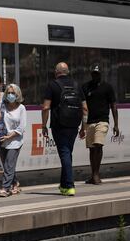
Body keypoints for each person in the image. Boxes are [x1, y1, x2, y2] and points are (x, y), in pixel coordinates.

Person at [42, 62, 87, 196]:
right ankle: (63, 185)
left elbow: (45, 108)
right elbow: (85, 109)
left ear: (56, 72)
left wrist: (43, 125)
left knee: (65, 153)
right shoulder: (77, 85)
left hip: (59, 125)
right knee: (67, 153)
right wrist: (83, 127)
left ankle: (69, 185)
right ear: (68, 72)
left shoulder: (53, 85)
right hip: (74, 124)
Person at [82, 65, 119, 185]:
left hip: (102, 121)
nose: (95, 75)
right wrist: (82, 126)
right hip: (90, 122)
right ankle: (93, 175)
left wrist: (116, 124)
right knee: (92, 149)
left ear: (101, 74)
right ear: (91, 74)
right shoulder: (85, 87)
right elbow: (83, 108)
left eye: (97, 74)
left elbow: (113, 105)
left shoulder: (107, 87)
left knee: (98, 145)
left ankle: (96, 174)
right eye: (93, 73)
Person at [0, 84, 26, 197]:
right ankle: (15, 182)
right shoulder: (2, 106)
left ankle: (5, 188)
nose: (10, 95)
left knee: (9, 164)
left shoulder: (21, 108)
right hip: (1, 140)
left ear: (17, 94)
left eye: (13, 93)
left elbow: (21, 127)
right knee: (7, 165)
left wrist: (10, 136)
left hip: (15, 141)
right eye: (8, 93)